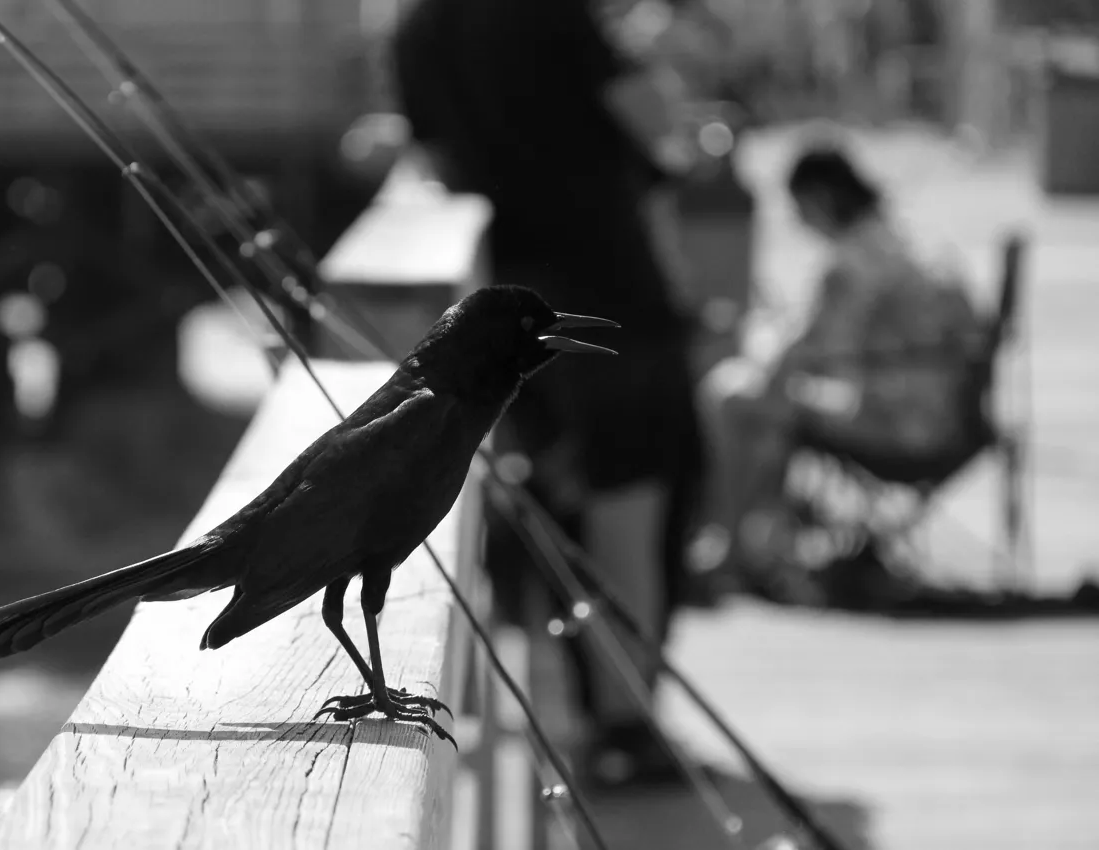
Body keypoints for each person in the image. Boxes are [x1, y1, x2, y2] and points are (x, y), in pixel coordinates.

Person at [390, 0, 708, 787]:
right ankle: (626, 726)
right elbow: (655, 117)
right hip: (611, 290)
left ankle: (591, 710)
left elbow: (430, 158)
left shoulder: (416, 27)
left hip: (515, 307)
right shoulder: (555, 11)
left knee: (570, 497)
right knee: (632, 501)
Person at [698, 144, 983, 589]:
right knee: (769, 406)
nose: (797, 221)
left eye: (798, 207)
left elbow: (810, 353)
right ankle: (754, 541)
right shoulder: (895, 237)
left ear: (820, 199)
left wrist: (761, 362)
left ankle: (732, 546)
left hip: (901, 425)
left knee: (734, 398)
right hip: (943, 411)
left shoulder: (852, 263)